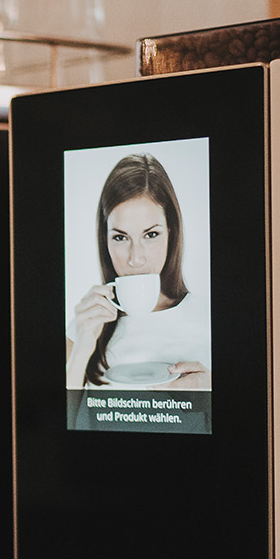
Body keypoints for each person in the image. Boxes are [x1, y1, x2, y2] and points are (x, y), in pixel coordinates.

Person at [66, 153, 211, 390]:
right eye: (121, 237)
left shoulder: (209, 316)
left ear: (171, 233)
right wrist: (82, 348)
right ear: (106, 241)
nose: (136, 258)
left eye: (151, 235)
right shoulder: (84, 327)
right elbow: (54, 417)